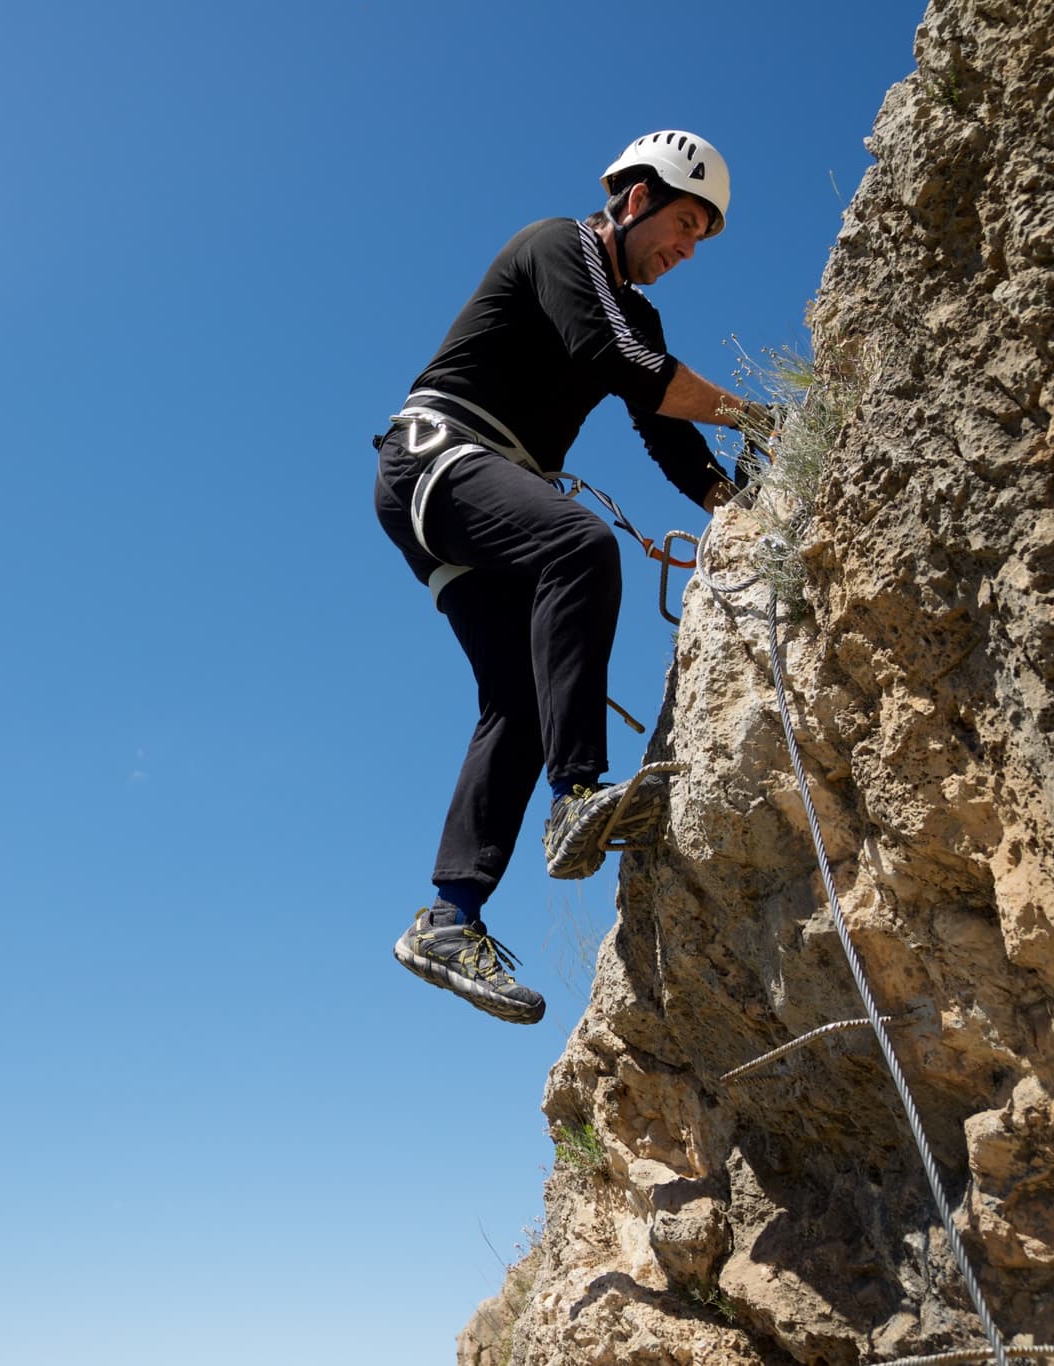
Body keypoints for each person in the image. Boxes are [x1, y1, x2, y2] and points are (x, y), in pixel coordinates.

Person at [373, 131, 767, 1025]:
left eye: (703, 236)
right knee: (579, 548)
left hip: (458, 491)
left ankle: (449, 915)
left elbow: (665, 430)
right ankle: (576, 795)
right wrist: (759, 413)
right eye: (681, 221)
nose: (686, 248)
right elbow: (615, 365)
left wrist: (732, 504)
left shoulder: (644, 319)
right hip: (441, 458)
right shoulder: (556, 244)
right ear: (633, 199)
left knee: (516, 696)